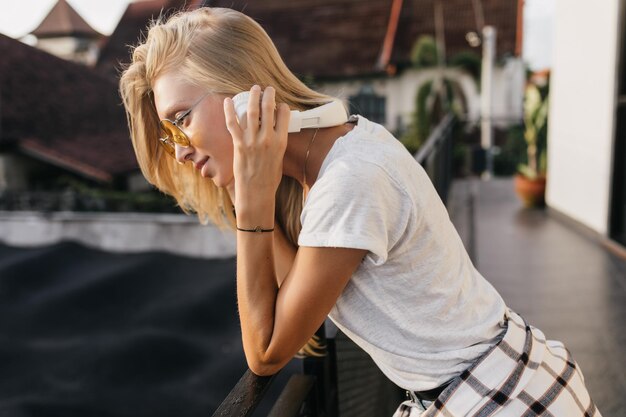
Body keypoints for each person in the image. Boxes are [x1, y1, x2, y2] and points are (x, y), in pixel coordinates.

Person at [119, 7, 601, 416]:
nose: (178, 149)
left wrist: (251, 201)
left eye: (180, 120)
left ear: (246, 98)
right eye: (169, 133)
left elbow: (265, 352)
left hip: (500, 399)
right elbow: (290, 299)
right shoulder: (337, 153)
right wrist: (252, 180)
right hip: (499, 380)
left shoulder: (349, 181)